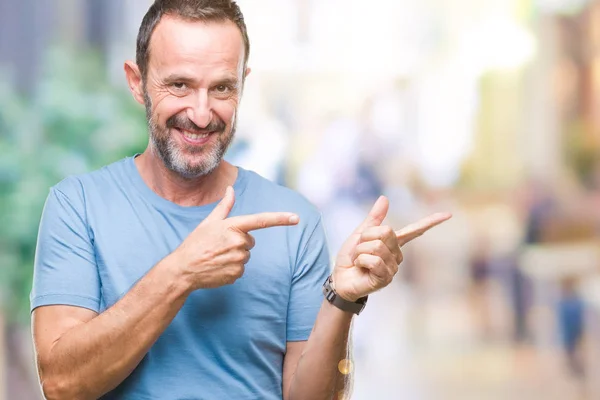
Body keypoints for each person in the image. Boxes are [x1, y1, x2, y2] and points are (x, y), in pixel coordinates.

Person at [30, 1, 451, 399]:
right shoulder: (77, 206)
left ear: (243, 85)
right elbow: (62, 385)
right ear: (138, 83)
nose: (200, 112)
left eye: (222, 88)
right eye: (179, 84)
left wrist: (341, 300)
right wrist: (182, 272)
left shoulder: (293, 222)